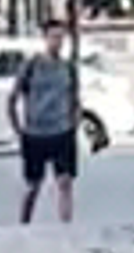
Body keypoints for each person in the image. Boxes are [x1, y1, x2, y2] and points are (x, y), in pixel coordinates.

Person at [11, 21, 82, 229]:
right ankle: (24, 224)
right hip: (35, 133)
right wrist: (18, 128)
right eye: (53, 37)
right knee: (33, 185)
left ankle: (66, 227)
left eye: (61, 37)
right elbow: (13, 97)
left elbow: (75, 97)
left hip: (62, 130)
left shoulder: (68, 67)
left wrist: (73, 122)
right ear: (45, 39)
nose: (57, 42)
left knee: (65, 182)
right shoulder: (32, 66)